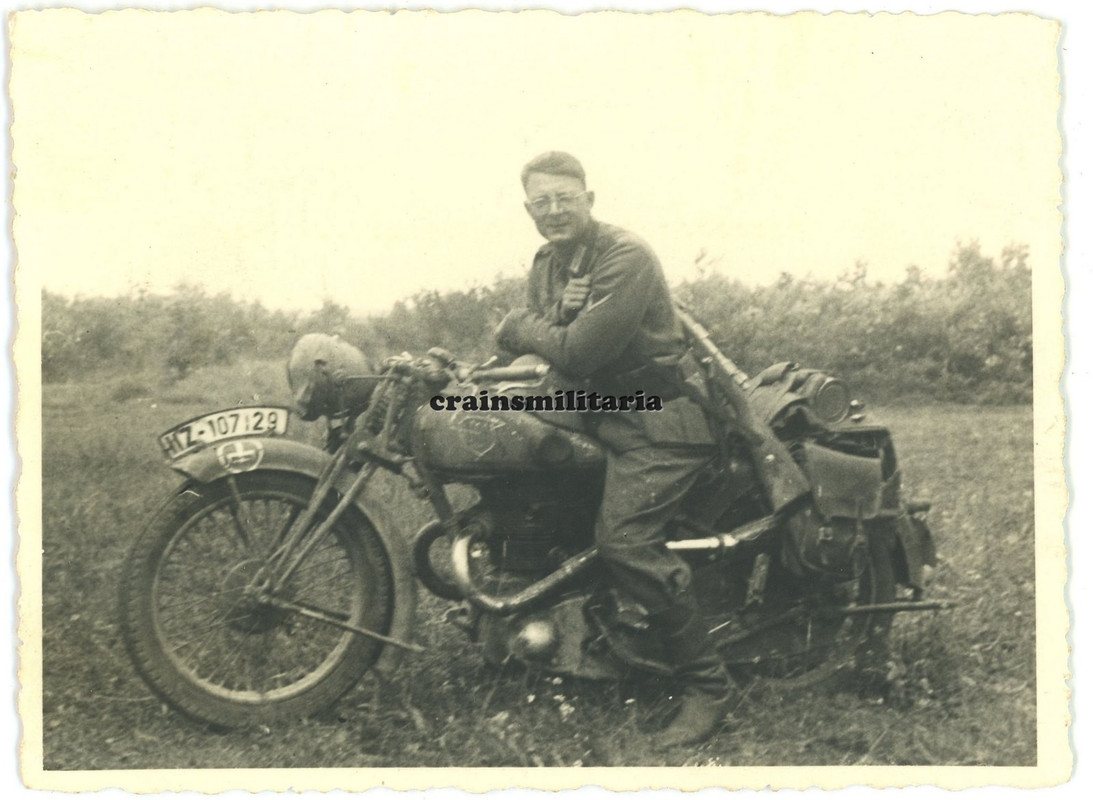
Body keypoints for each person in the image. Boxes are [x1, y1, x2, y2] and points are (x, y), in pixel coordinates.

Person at [495, 151, 735, 748]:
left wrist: (520, 324)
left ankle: (707, 687)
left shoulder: (625, 256)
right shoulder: (549, 263)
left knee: (625, 540)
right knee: (504, 449)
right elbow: (539, 347)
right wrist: (538, 330)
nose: (554, 210)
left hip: (660, 416)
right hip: (600, 409)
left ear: (590, 199)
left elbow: (576, 352)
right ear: (528, 209)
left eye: (565, 198)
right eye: (542, 202)